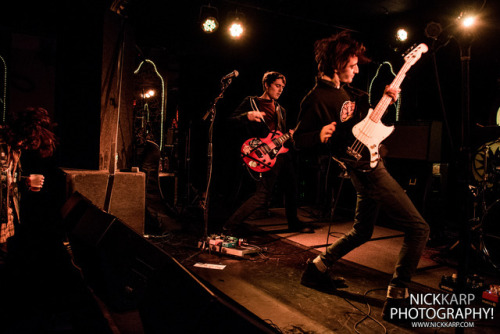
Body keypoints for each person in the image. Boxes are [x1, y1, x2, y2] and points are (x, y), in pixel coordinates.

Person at [293, 31, 430, 322]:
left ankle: (316, 269)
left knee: (362, 230)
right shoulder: (316, 97)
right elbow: (298, 140)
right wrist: (317, 135)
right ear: (335, 64)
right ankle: (397, 296)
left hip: (364, 165)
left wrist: (385, 101)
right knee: (419, 229)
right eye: (352, 65)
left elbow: (364, 127)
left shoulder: (351, 92)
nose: (357, 70)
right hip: (367, 171)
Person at [223, 71, 313, 236]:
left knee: (292, 188)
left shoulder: (281, 110)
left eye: (283, 87)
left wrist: (290, 137)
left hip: (282, 154)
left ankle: (293, 223)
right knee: (262, 195)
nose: (280, 90)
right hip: (262, 154)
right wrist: (247, 116)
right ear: (266, 84)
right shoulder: (251, 102)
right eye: (277, 86)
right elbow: (228, 123)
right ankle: (230, 225)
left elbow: (279, 134)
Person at [0, 107, 56, 266]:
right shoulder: (3, 143)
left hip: (5, 223)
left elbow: (6, 180)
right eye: (24, 142)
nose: (23, 146)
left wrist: (24, 181)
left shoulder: (14, 147)